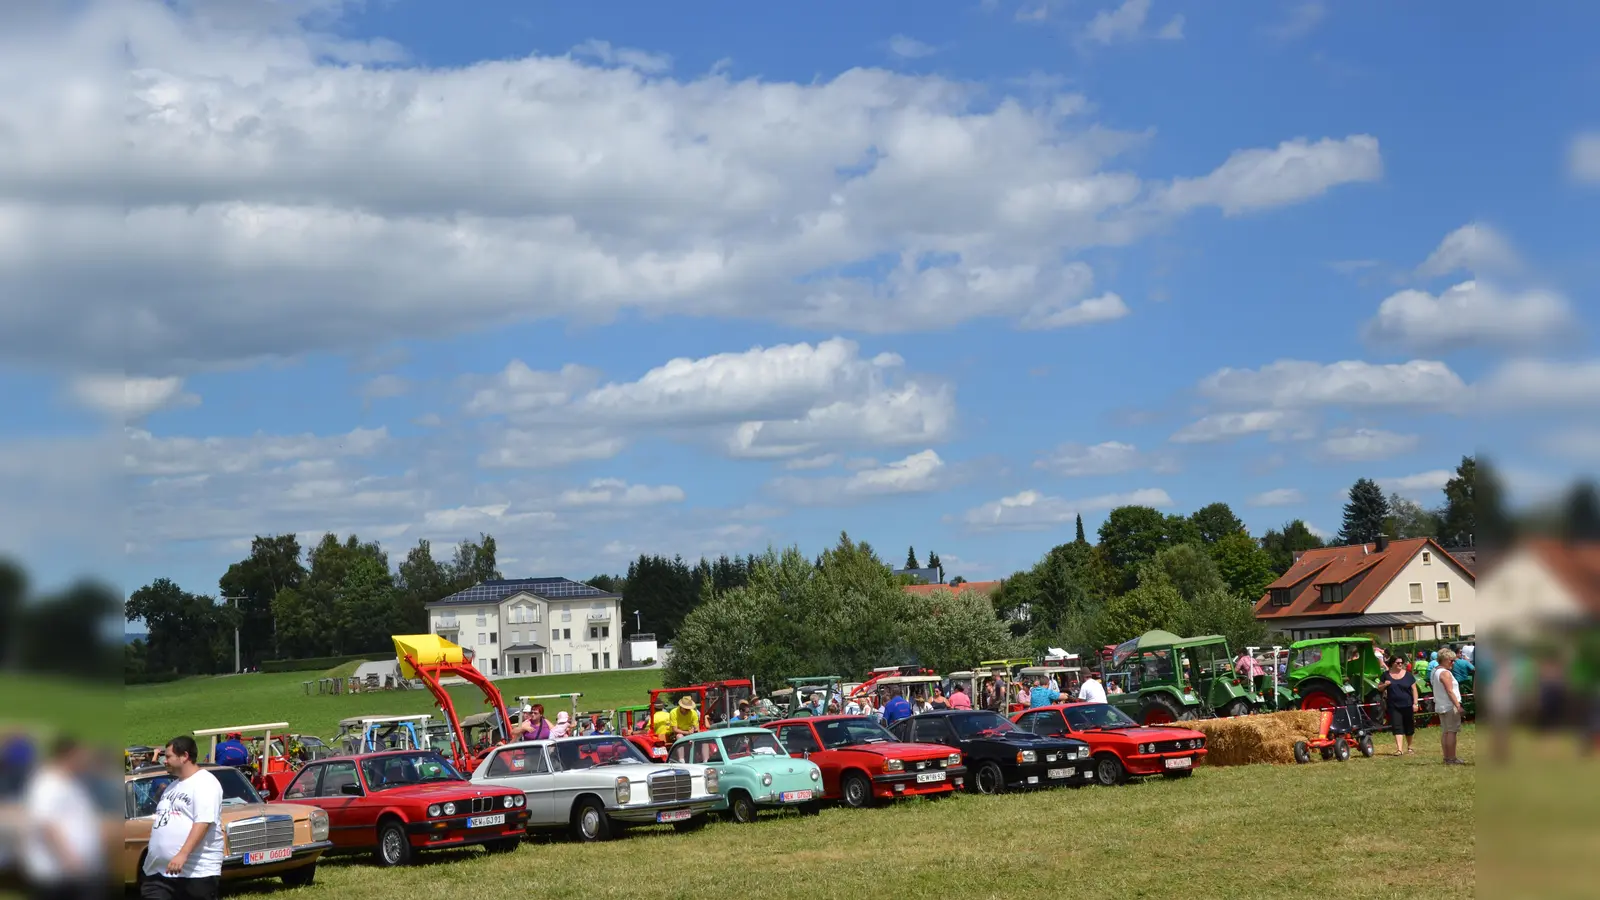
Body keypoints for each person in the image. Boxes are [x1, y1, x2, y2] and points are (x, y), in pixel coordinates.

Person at [142, 735, 224, 900]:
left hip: (195, 873)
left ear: (185, 756)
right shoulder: (172, 787)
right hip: (158, 873)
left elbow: (203, 822)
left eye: (168, 756)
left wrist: (182, 854)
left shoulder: (205, 783)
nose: (165, 761)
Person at [23, 735, 103, 900]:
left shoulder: (71, 782)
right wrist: (71, 861)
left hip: (75, 874)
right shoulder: (48, 784)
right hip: (59, 875)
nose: (86, 760)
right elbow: (47, 825)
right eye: (82, 755)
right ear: (69, 755)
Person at [1377, 655, 1420, 755]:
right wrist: (1385, 685)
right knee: (1397, 726)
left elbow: (1414, 690)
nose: (1400, 664)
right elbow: (1379, 688)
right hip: (1393, 706)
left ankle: (1409, 747)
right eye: (1398, 663)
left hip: (1408, 705)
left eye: (1401, 663)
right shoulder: (1386, 675)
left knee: (1409, 726)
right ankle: (1399, 749)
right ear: (1392, 663)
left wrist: (1415, 703)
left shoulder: (1408, 675)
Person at [1431, 649, 1465, 765]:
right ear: (1445, 660)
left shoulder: (1435, 671)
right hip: (1450, 706)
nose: (1453, 663)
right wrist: (1458, 706)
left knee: (1446, 732)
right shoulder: (1445, 673)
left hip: (1441, 705)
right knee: (1451, 732)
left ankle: (1447, 757)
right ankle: (1451, 758)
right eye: (1451, 660)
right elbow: (1450, 691)